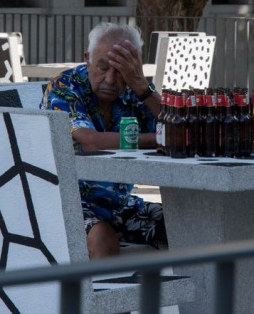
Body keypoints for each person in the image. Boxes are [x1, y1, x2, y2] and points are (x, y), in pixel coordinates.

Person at [40, 22, 166, 259]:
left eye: (120, 71)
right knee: (102, 240)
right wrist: (159, 139)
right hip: (68, 204)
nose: (110, 79)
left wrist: (141, 85)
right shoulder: (65, 86)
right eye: (102, 67)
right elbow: (91, 142)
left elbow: (178, 131)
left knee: (185, 226)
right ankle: (96, 298)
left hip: (120, 205)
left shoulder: (135, 90)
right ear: (87, 57)